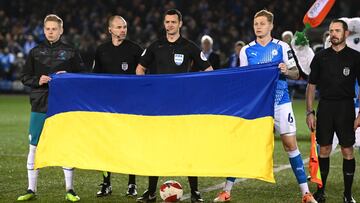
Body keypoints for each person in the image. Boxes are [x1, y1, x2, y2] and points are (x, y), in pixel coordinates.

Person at [213, 10, 317, 203]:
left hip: (280, 102)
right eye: (256, 24)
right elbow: (243, 79)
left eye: (262, 23)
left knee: (290, 144)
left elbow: (297, 74)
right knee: (243, 145)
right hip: (257, 105)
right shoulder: (246, 50)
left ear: (271, 26)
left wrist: (287, 70)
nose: (258, 27)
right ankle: (226, 191)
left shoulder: (282, 47)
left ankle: (305, 193)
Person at [135, 9, 213, 203]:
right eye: (167, 22)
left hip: (182, 107)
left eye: (173, 22)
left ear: (180, 24)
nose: (169, 25)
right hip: (159, 107)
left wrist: (195, 90)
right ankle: (150, 192)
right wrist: (147, 90)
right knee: (156, 148)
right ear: (164, 24)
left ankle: (195, 192)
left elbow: (209, 70)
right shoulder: (155, 46)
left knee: (187, 147)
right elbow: (140, 69)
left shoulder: (189, 47)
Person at [17, 14, 85, 202]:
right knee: (34, 145)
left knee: (66, 145)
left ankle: (70, 189)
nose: (51, 32)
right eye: (48, 29)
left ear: (61, 30)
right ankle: (31, 189)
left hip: (64, 105)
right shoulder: (35, 52)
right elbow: (24, 77)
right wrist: (37, 80)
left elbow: (82, 76)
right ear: (44, 30)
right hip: (39, 103)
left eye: (54, 29)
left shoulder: (71, 52)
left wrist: (69, 75)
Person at [306, 19, 360, 203]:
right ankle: (320, 192)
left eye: (337, 30)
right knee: (325, 149)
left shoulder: (355, 57)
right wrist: (309, 112)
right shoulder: (320, 56)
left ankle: (347, 194)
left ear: (346, 34)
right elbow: (311, 86)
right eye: (331, 31)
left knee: (347, 151)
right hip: (326, 107)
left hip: (346, 108)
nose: (333, 34)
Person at [92, 15, 143, 198]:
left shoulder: (135, 50)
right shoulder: (101, 50)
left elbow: (144, 77)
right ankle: (106, 184)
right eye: (119, 27)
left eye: (124, 27)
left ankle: (132, 184)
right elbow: (95, 78)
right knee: (107, 144)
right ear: (110, 29)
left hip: (130, 106)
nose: (122, 30)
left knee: (130, 143)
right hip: (107, 106)